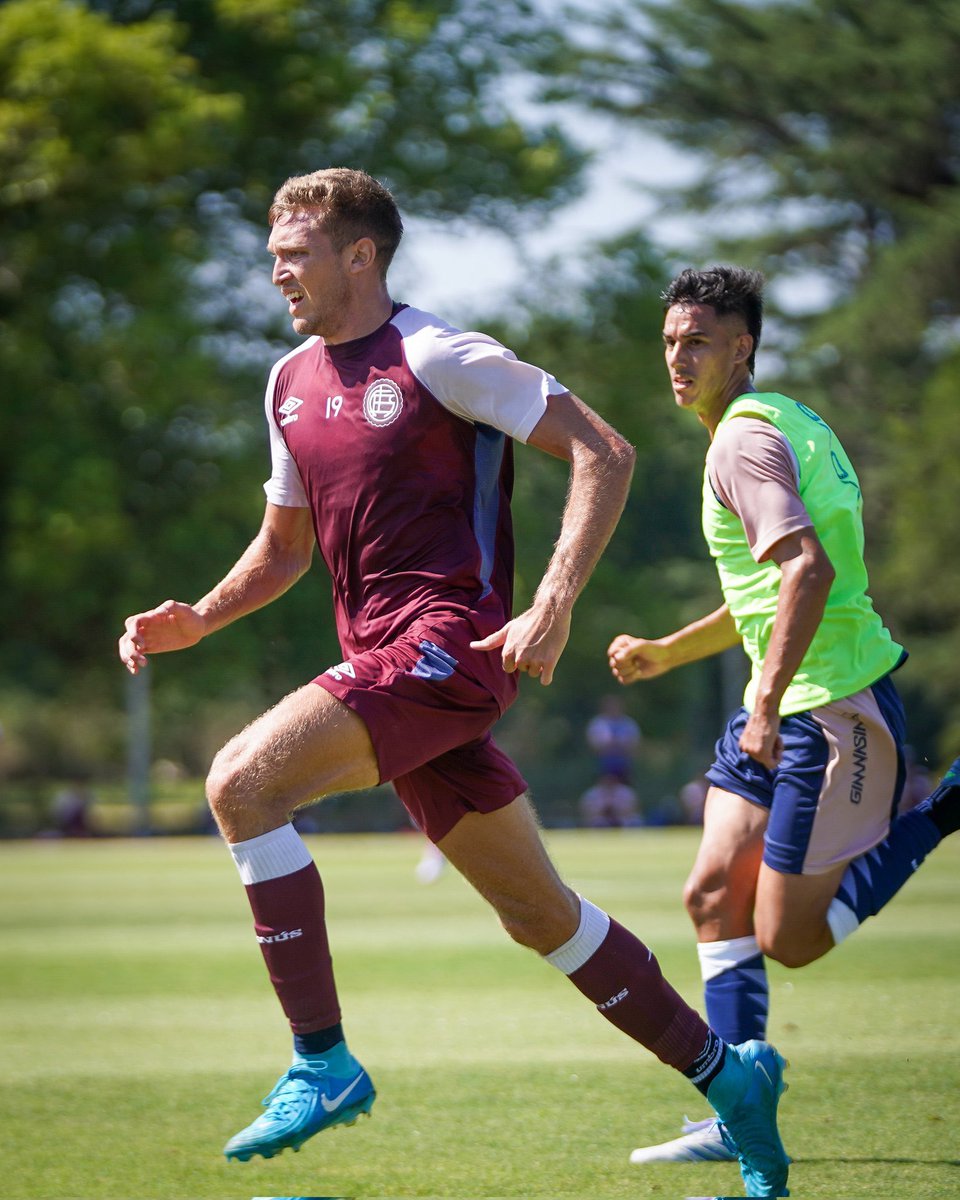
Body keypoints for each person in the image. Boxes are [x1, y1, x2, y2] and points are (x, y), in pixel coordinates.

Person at [118, 173, 789, 1196]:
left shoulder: (439, 354)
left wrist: (554, 600)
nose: (276, 270)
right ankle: (731, 1082)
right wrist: (203, 615)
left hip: (448, 651)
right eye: (273, 253)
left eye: (295, 251)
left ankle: (321, 1061)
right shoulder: (288, 382)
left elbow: (604, 452)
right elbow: (283, 545)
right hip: (394, 671)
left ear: (361, 255)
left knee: (241, 785)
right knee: (543, 917)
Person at [608, 265, 959, 1167]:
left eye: (698, 343)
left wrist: (760, 700)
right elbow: (766, 589)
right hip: (788, 697)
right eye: (670, 343)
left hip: (829, 706)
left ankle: (948, 806)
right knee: (712, 895)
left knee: (790, 940)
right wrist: (668, 652)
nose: (678, 360)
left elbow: (807, 571)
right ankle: (738, 1109)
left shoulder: (740, 444)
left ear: (743, 347)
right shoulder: (785, 423)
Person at [586, 694, 641, 782]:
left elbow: (634, 745)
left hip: (624, 764)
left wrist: (618, 746)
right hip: (602, 764)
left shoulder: (628, 723)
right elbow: (593, 745)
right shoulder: (597, 723)